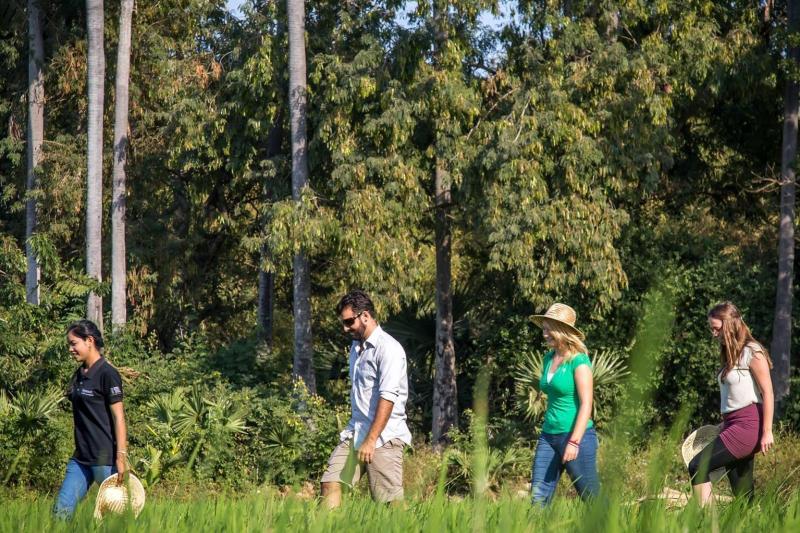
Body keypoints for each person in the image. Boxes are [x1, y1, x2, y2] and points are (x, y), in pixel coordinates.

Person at [321, 289, 412, 508]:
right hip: (356, 431)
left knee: (390, 503)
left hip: (384, 436)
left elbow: (388, 397)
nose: (345, 328)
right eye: (343, 323)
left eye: (349, 322)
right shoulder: (356, 347)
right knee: (330, 482)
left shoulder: (388, 349)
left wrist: (371, 441)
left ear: (365, 316)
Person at [688, 301, 774, 506]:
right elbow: (735, 398)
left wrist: (767, 431)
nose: (713, 334)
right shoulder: (731, 354)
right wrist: (724, 424)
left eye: (716, 328)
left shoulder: (752, 352)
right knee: (744, 497)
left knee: (697, 466)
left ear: (729, 325)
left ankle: (708, 523)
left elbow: (768, 392)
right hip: (733, 425)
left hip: (748, 427)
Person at [53, 320, 128, 519]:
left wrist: (121, 457)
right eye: (69, 344)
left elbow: (119, 417)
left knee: (115, 518)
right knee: (61, 512)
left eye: (73, 343)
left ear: (89, 341)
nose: (70, 349)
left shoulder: (107, 374)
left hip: (104, 459)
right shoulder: (79, 374)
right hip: (81, 458)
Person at [529, 302, 599, 505]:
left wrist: (574, 442)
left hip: (577, 437)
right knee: (538, 501)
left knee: (592, 499)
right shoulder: (548, 358)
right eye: (544, 329)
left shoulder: (579, 361)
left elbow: (587, 404)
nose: (544, 334)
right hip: (548, 437)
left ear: (562, 331)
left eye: (549, 329)